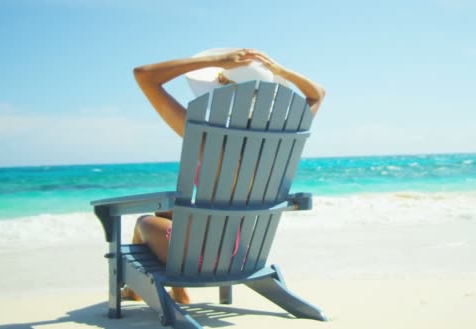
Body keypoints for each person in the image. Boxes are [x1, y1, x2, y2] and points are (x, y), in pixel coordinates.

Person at [122, 48, 325, 304]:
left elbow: (143, 76)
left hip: (195, 259)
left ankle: (145, 290)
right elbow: (318, 94)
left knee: (143, 222)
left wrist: (215, 61)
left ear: (220, 92)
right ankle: (177, 293)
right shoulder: (284, 138)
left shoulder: (205, 137)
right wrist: (280, 71)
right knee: (167, 214)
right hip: (244, 255)